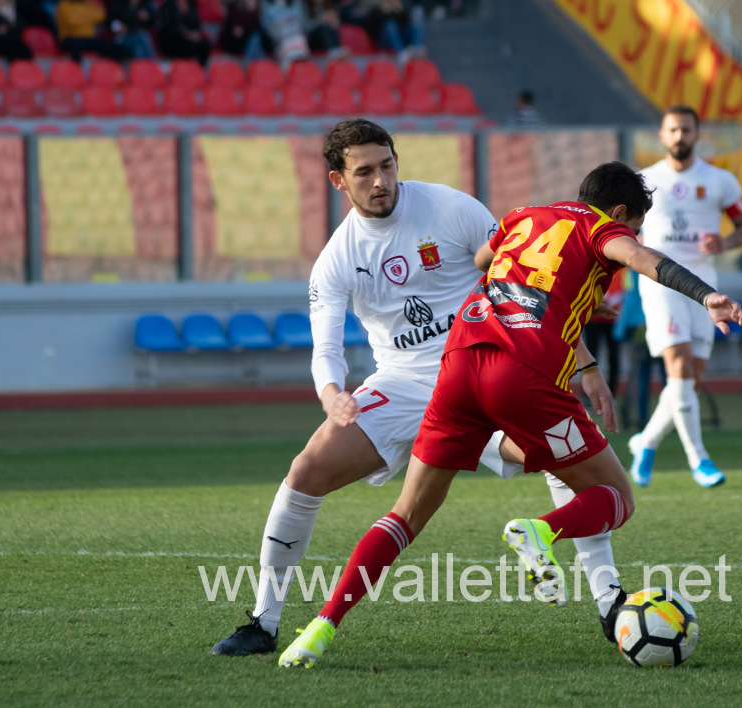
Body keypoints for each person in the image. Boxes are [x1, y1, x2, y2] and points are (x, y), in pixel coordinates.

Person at [276, 161, 742, 668]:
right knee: (615, 496)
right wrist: (707, 296)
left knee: (405, 514)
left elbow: (485, 259)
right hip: (521, 372)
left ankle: (321, 628)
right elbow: (641, 258)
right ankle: (539, 532)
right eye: (629, 223)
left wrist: (567, 293)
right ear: (617, 212)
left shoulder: (524, 214)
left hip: (458, 364)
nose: (627, 234)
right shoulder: (600, 226)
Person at [211, 119, 628, 657]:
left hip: (487, 359)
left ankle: (609, 601)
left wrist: (582, 363)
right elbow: (326, 348)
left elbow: (529, 281)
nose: (381, 180)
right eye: (364, 172)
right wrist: (332, 393)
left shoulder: (451, 208)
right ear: (340, 181)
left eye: (387, 165)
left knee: (561, 454)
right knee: (306, 470)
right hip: (404, 382)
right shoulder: (336, 260)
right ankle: (263, 623)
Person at [626, 105, 742, 490]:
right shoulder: (644, 182)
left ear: (698, 134)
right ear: (662, 136)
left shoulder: (719, 181)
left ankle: (645, 442)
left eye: (686, 129)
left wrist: (725, 241)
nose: (679, 136)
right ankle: (700, 459)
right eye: (672, 130)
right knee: (678, 368)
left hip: (705, 287)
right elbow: (622, 232)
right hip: (659, 282)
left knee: (690, 382)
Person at [613, 273, 665, 431]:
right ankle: (674, 417)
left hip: (640, 329)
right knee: (669, 376)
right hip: (662, 325)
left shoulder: (633, 271)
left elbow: (631, 298)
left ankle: (643, 419)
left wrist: (620, 329)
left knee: (642, 376)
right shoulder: (662, 263)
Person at [582, 267, 626, 395]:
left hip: (613, 319)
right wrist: (600, 299)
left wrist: (611, 301)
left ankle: (612, 392)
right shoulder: (592, 266)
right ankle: (589, 394)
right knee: (591, 354)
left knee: (614, 357)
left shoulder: (623, 270)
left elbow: (627, 289)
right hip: (593, 319)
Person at [56, 0, 133, 62]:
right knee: (76, 45)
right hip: (70, 38)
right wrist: (89, 17)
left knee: (115, 48)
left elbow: (102, 15)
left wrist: (81, 16)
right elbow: (72, 20)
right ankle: (76, 71)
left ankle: (113, 74)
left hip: (89, 39)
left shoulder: (87, 4)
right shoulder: (64, 5)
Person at [158, 0, 212, 66]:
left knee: (204, 45)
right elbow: (167, 26)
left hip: (190, 39)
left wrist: (196, 33)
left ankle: (201, 70)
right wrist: (185, 33)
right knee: (189, 46)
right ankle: (182, 71)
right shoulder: (168, 5)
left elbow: (196, 23)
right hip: (173, 39)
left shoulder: (192, 4)